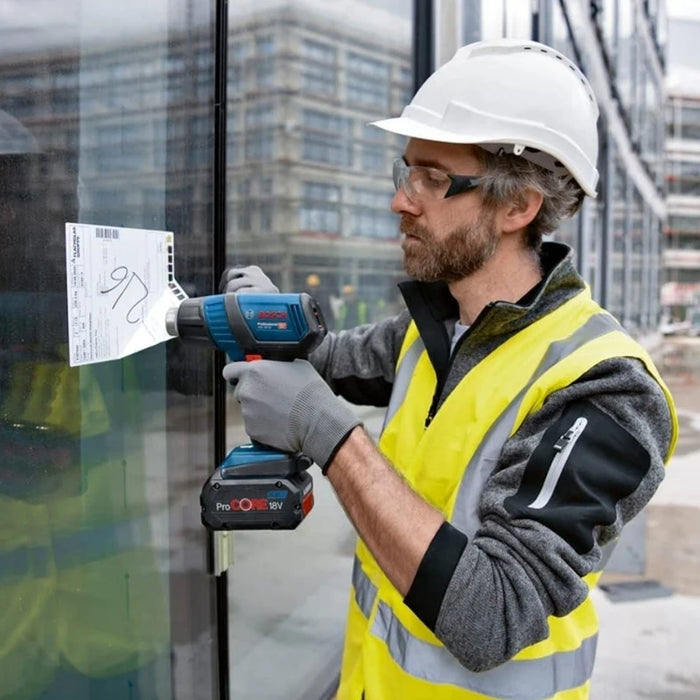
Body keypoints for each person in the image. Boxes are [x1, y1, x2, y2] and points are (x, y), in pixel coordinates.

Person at [220, 39, 678, 700]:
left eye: (433, 179)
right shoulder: (431, 329)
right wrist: (273, 315)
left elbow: (493, 616)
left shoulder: (607, 388)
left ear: (517, 206)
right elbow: (327, 361)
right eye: (406, 173)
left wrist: (330, 435)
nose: (401, 202)